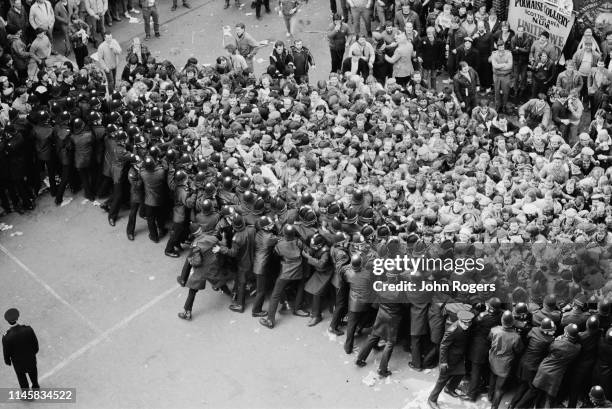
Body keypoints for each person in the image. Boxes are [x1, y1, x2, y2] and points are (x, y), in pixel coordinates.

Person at [427, 310, 474, 409]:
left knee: (460, 373)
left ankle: (449, 388)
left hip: (459, 357)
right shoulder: (452, 330)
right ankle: (432, 399)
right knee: (442, 380)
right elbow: (443, 346)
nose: (468, 325)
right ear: (460, 321)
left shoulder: (466, 327)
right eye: (465, 323)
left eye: (469, 323)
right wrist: (443, 362)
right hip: (449, 359)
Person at [487, 311, 524, 409]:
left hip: (493, 360)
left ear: (501, 320)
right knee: (499, 388)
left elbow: (489, 339)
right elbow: (519, 350)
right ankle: (494, 406)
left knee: (492, 378)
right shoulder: (516, 337)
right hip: (504, 365)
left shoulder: (494, 330)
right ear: (513, 323)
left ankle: (490, 396)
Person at [2, 308, 40, 391]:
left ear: (7, 321)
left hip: (18, 363)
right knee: (33, 372)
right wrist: (34, 352)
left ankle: (27, 395)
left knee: (21, 378)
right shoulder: (28, 329)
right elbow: (35, 343)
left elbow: (6, 352)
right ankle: (35, 387)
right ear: (17, 318)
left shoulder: (6, 337)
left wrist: (7, 361)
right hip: (30, 358)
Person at [491, 39, 513, 113]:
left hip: (506, 76)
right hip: (496, 76)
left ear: (504, 46)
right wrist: (504, 64)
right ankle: (497, 106)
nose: (501, 48)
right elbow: (495, 65)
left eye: (502, 46)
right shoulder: (494, 54)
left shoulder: (509, 54)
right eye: (499, 47)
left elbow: (510, 66)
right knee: (496, 92)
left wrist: (499, 66)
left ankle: (504, 106)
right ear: (497, 47)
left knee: (505, 92)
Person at [510, 24, 532, 98]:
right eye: (519, 31)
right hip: (516, 61)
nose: (520, 32)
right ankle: (515, 90)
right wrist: (522, 49)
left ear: (523, 31)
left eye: (522, 31)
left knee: (523, 77)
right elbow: (513, 50)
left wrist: (518, 48)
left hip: (524, 62)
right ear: (517, 31)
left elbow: (527, 50)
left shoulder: (528, 38)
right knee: (516, 77)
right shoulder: (513, 39)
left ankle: (522, 90)